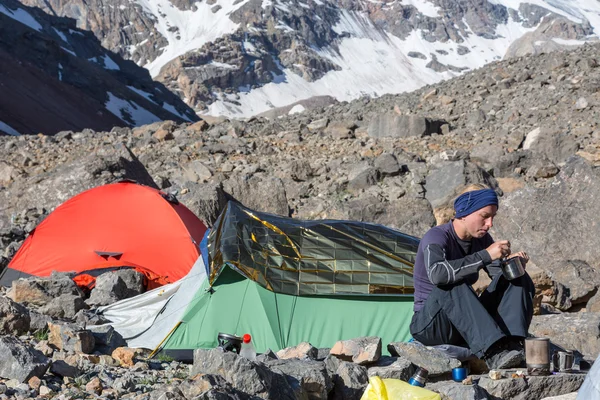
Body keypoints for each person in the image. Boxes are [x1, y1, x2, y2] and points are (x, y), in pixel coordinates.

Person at [410, 184, 536, 369]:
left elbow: (499, 278)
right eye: (485, 217)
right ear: (464, 213)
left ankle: (513, 344)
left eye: (492, 217)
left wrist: (514, 266)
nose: (490, 224)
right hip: (432, 325)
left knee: (518, 278)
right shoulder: (436, 237)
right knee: (451, 282)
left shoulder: (481, 240)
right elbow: (438, 275)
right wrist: (485, 255)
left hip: (463, 321)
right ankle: (493, 353)